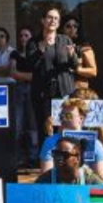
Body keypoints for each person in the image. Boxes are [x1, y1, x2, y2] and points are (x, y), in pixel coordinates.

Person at [23, 7, 79, 140]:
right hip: (43, 94)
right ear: (43, 20)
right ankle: (46, 159)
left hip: (65, 92)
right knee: (46, 129)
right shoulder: (34, 42)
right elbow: (29, 66)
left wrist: (72, 56)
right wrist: (40, 51)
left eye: (56, 18)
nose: (52, 20)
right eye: (49, 17)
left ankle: (66, 158)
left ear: (58, 23)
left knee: (66, 127)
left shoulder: (65, 40)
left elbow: (75, 65)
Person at [37, 98, 103, 182]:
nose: (64, 119)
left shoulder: (95, 144)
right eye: (61, 116)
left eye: (68, 116)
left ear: (81, 119)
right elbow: (47, 177)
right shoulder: (50, 142)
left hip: (85, 190)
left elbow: (102, 180)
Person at [11, 26, 38, 166]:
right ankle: (18, 157)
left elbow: (38, 74)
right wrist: (31, 76)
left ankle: (33, 156)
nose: (23, 38)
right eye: (21, 35)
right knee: (18, 123)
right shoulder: (15, 53)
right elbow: (13, 73)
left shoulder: (37, 53)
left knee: (33, 124)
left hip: (34, 90)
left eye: (26, 35)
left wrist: (28, 77)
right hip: (19, 90)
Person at [61, 15, 98, 92]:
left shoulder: (84, 47)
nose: (72, 29)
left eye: (75, 26)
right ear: (62, 29)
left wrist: (77, 70)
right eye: (68, 26)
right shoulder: (57, 46)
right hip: (60, 89)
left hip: (79, 90)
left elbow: (93, 71)